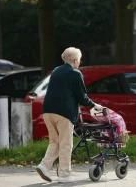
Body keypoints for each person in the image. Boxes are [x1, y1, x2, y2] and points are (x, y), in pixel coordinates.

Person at [35, 47, 103, 183]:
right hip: (64, 113)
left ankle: (44, 166)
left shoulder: (55, 71)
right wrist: (95, 106)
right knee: (66, 144)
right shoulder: (75, 74)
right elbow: (82, 97)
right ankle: (64, 175)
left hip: (48, 111)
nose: (80, 62)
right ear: (75, 60)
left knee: (55, 142)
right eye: (79, 60)